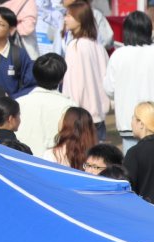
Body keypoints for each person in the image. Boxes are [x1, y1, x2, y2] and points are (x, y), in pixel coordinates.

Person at [103, 11, 154, 151]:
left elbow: (109, 90)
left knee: (133, 163)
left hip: (129, 125)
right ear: (149, 30)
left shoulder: (117, 56)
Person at [59, 0, 107, 139]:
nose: (65, 19)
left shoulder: (74, 46)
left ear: (80, 19)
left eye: (69, 16)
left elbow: (73, 83)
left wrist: (70, 110)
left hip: (80, 117)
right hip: (99, 115)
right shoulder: (98, 46)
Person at [14, 52, 69, 156]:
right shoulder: (69, 107)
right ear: (62, 79)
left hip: (21, 161)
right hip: (54, 164)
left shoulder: (18, 103)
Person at [0, 8, 34, 98]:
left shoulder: (19, 54)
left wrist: (12, 99)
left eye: (1, 24)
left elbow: (30, 85)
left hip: (9, 105)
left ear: (11, 30)